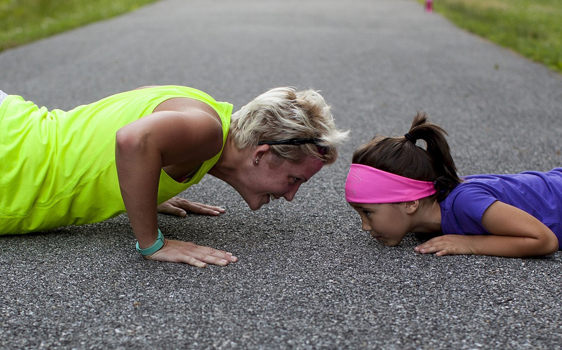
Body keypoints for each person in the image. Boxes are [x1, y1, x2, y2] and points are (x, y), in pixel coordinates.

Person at [0, 85, 348, 267]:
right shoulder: (207, 131)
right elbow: (132, 139)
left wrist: (143, 187)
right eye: (294, 179)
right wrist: (153, 242)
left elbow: (115, 125)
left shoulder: (204, 114)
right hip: (10, 159)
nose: (291, 196)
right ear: (262, 154)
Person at [345, 113, 562, 258]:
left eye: (368, 213)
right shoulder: (430, 217)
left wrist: (470, 244)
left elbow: (544, 240)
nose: (365, 227)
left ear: (410, 202)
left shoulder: (465, 202)